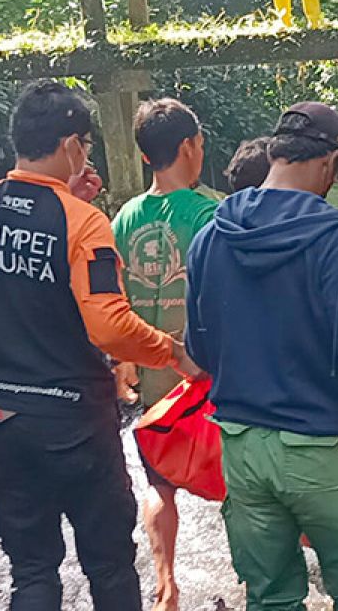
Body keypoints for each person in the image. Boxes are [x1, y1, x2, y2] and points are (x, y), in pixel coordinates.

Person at [0, 80, 199, 611]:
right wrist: (172, 353)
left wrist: (62, 201)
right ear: (72, 148)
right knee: (108, 566)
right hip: (72, 423)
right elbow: (107, 325)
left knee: (32, 573)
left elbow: (11, 252)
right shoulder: (84, 224)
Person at [184, 102, 338, 611]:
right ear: (330, 162)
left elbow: (199, 349)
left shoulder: (211, 235)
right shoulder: (336, 236)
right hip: (321, 454)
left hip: (241, 449)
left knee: (271, 598)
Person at [111, 99, 221, 611]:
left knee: (160, 485)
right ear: (187, 147)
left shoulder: (125, 217)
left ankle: (166, 585)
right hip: (205, 375)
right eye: (199, 144)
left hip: (153, 378)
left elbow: (113, 298)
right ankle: (253, 577)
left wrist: (122, 364)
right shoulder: (211, 214)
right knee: (238, 486)